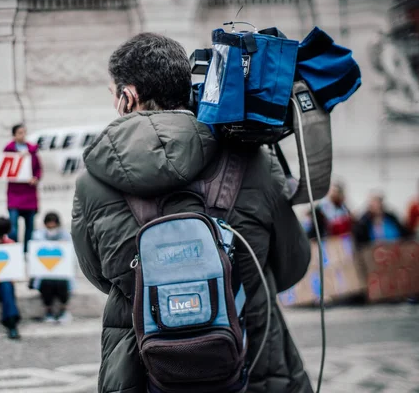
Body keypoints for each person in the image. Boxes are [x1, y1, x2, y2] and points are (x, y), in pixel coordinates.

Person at [71, 33, 313, 393]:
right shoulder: (252, 159)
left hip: (144, 368)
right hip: (253, 362)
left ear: (128, 97)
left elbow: (99, 276)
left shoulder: (92, 182)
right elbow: (293, 263)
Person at [4, 124, 42, 254]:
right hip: (14, 194)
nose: (22, 135)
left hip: (29, 194)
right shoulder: (8, 150)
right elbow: (4, 167)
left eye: (24, 132)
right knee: (12, 228)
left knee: (29, 228)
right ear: (14, 135)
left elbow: (38, 169)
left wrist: (35, 178)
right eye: (20, 133)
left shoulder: (32, 150)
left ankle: (27, 252)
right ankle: (14, 250)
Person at [30, 212, 73, 324]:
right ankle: (48, 311)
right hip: (44, 273)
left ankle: (63, 311)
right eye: (49, 226)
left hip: (62, 273)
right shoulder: (38, 235)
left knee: (62, 283)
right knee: (47, 283)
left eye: (53, 226)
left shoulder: (65, 235)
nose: (51, 228)